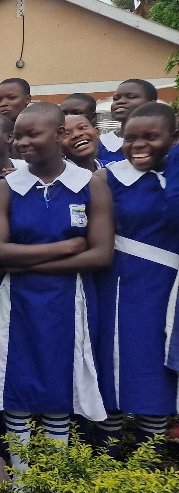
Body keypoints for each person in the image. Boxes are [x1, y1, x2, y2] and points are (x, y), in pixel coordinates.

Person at [0, 102, 113, 473]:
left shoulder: (90, 185)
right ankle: (24, 476)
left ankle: (52, 481)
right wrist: (67, 246)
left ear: (59, 136)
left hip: (69, 299)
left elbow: (100, 255)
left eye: (31, 134)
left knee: (61, 380)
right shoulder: (6, 187)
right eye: (18, 135)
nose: (21, 142)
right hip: (18, 300)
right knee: (16, 379)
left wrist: (25, 260)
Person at [93, 102, 179, 450]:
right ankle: (107, 458)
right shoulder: (108, 177)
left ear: (173, 138)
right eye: (130, 138)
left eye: (150, 137)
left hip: (168, 287)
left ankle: (150, 464)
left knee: (157, 368)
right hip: (120, 283)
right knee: (113, 362)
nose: (138, 145)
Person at [99, 79, 158, 165]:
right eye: (116, 99)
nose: (120, 101)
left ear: (152, 104)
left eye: (131, 97)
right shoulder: (101, 144)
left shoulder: (164, 142)